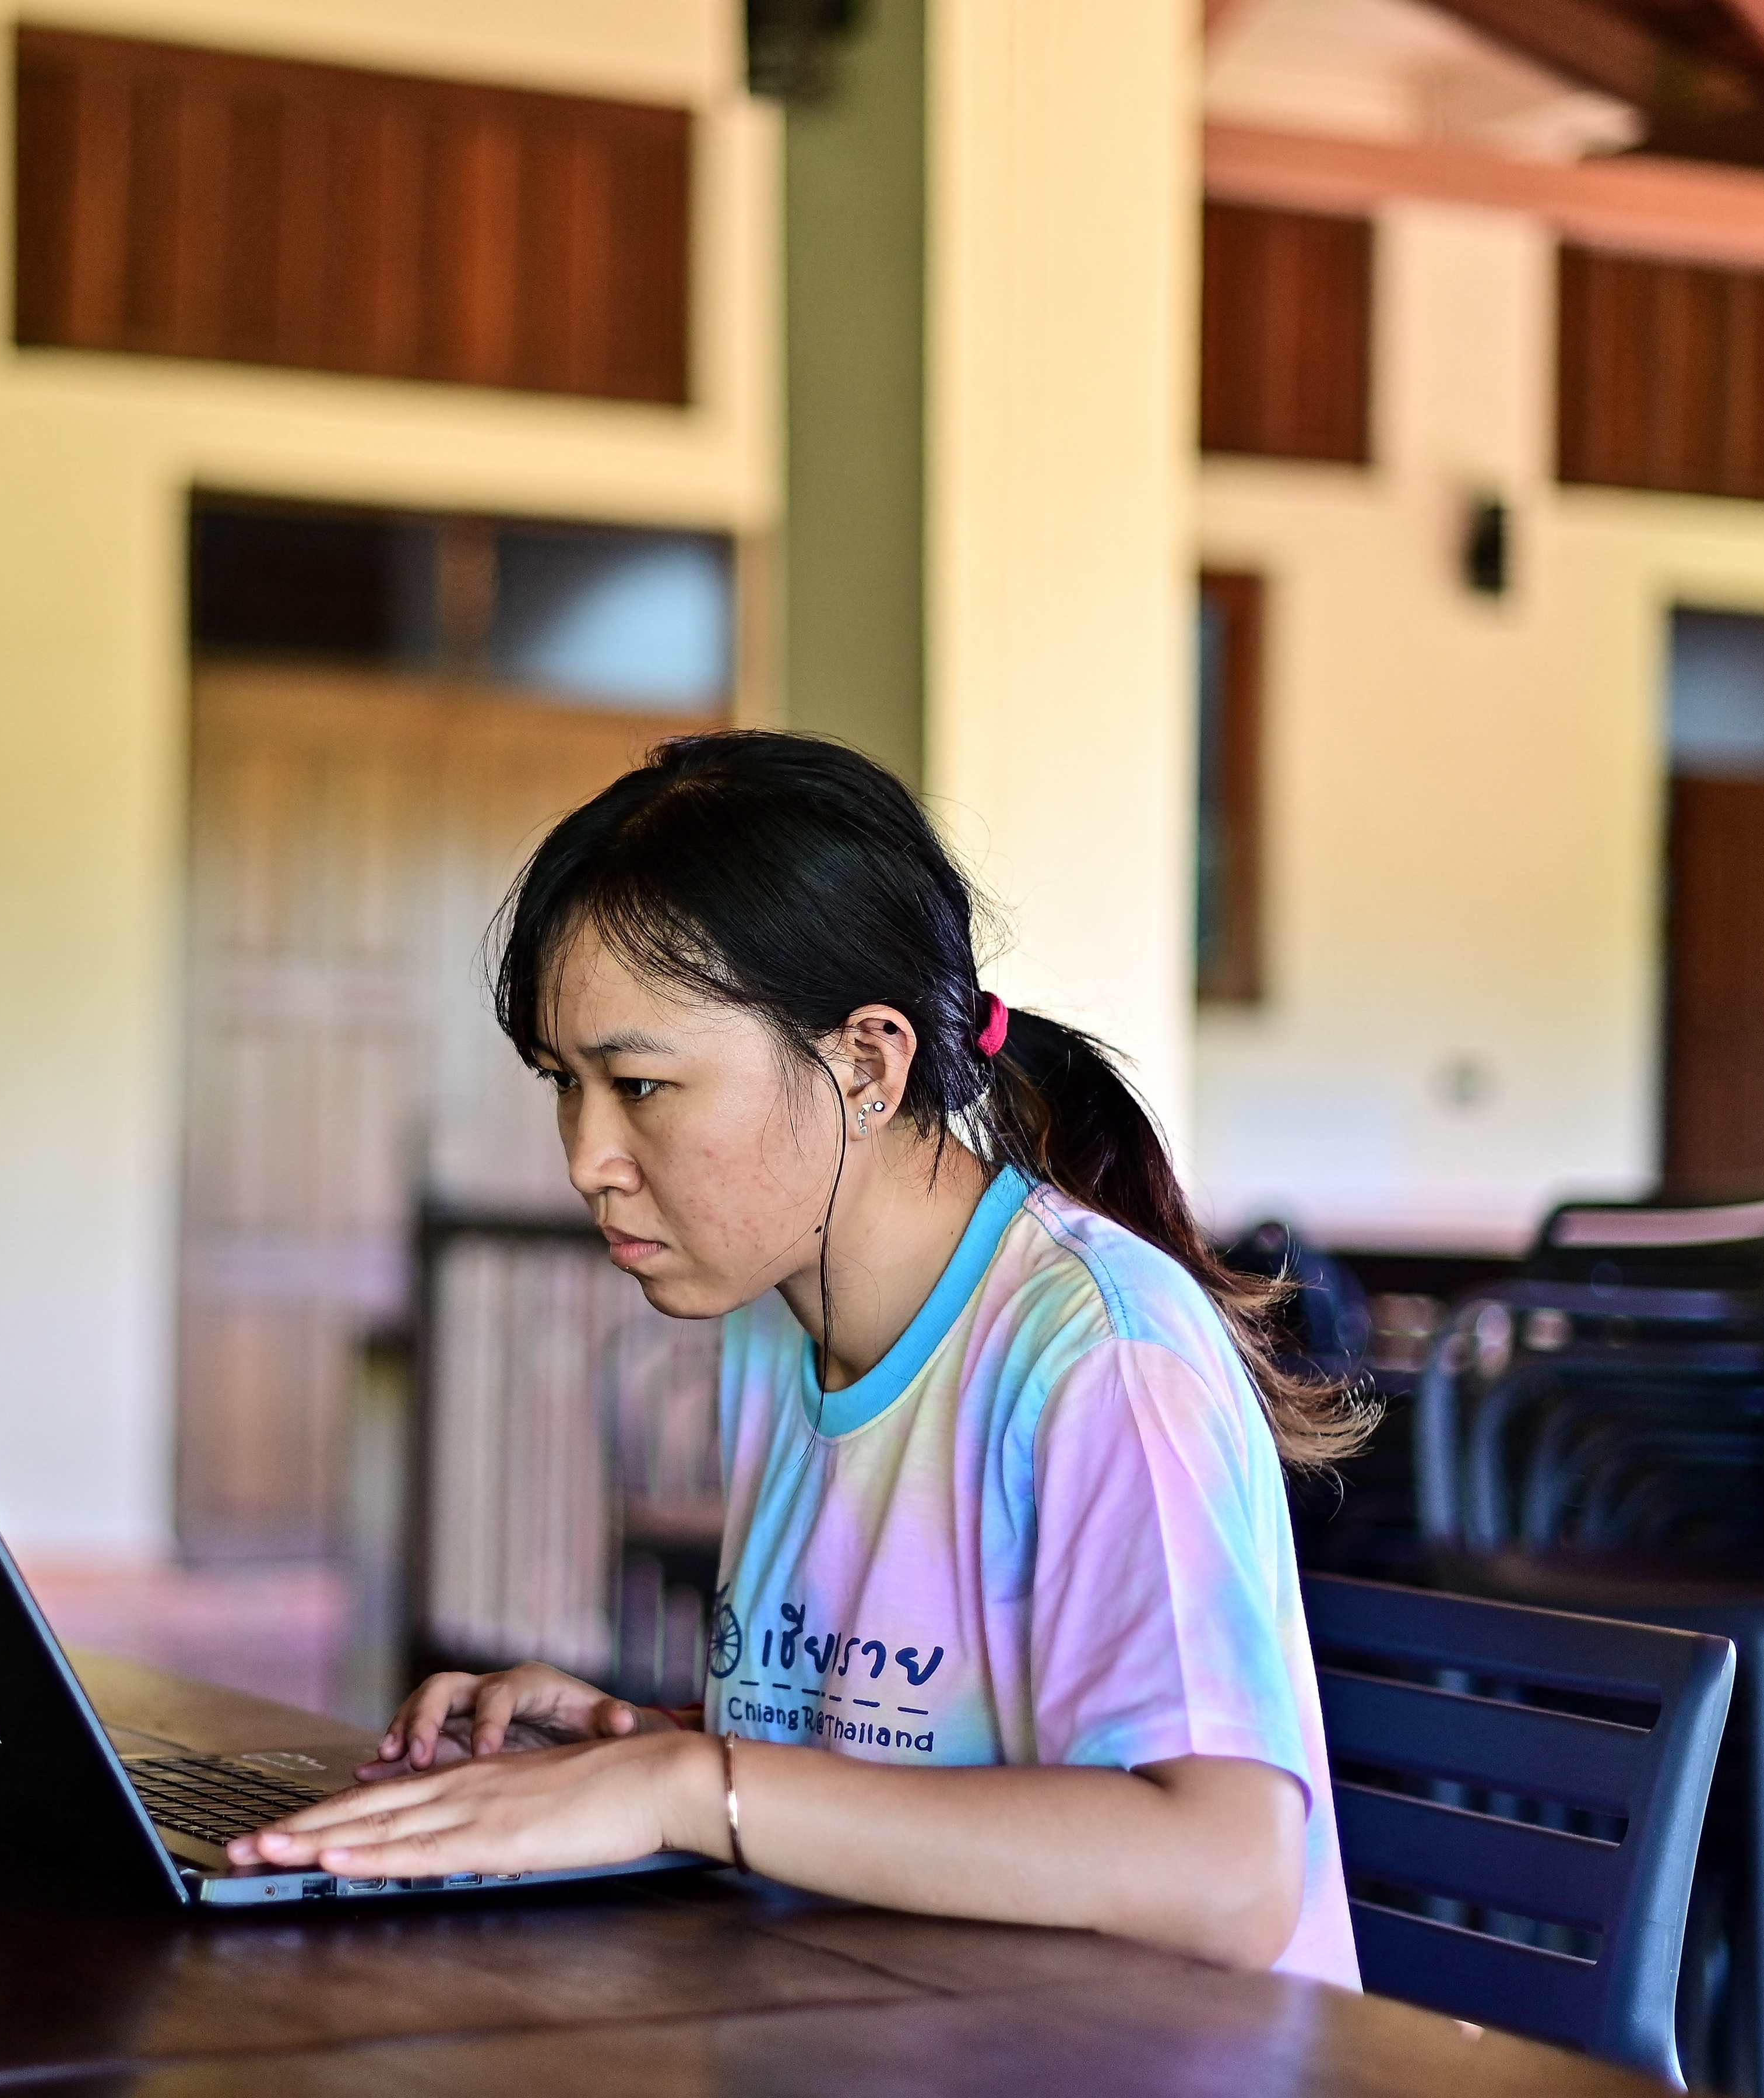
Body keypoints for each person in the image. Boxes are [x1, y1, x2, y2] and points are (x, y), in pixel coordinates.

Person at [228, 731, 1370, 1983]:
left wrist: (687, 1785)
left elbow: (1225, 1874)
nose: (586, 1159)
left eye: (642, 1087)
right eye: (565, 1083)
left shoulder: (1098, 1355)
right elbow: (925, 1764)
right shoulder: (785, 1330)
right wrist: (629, 1754)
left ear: (867, 1064)